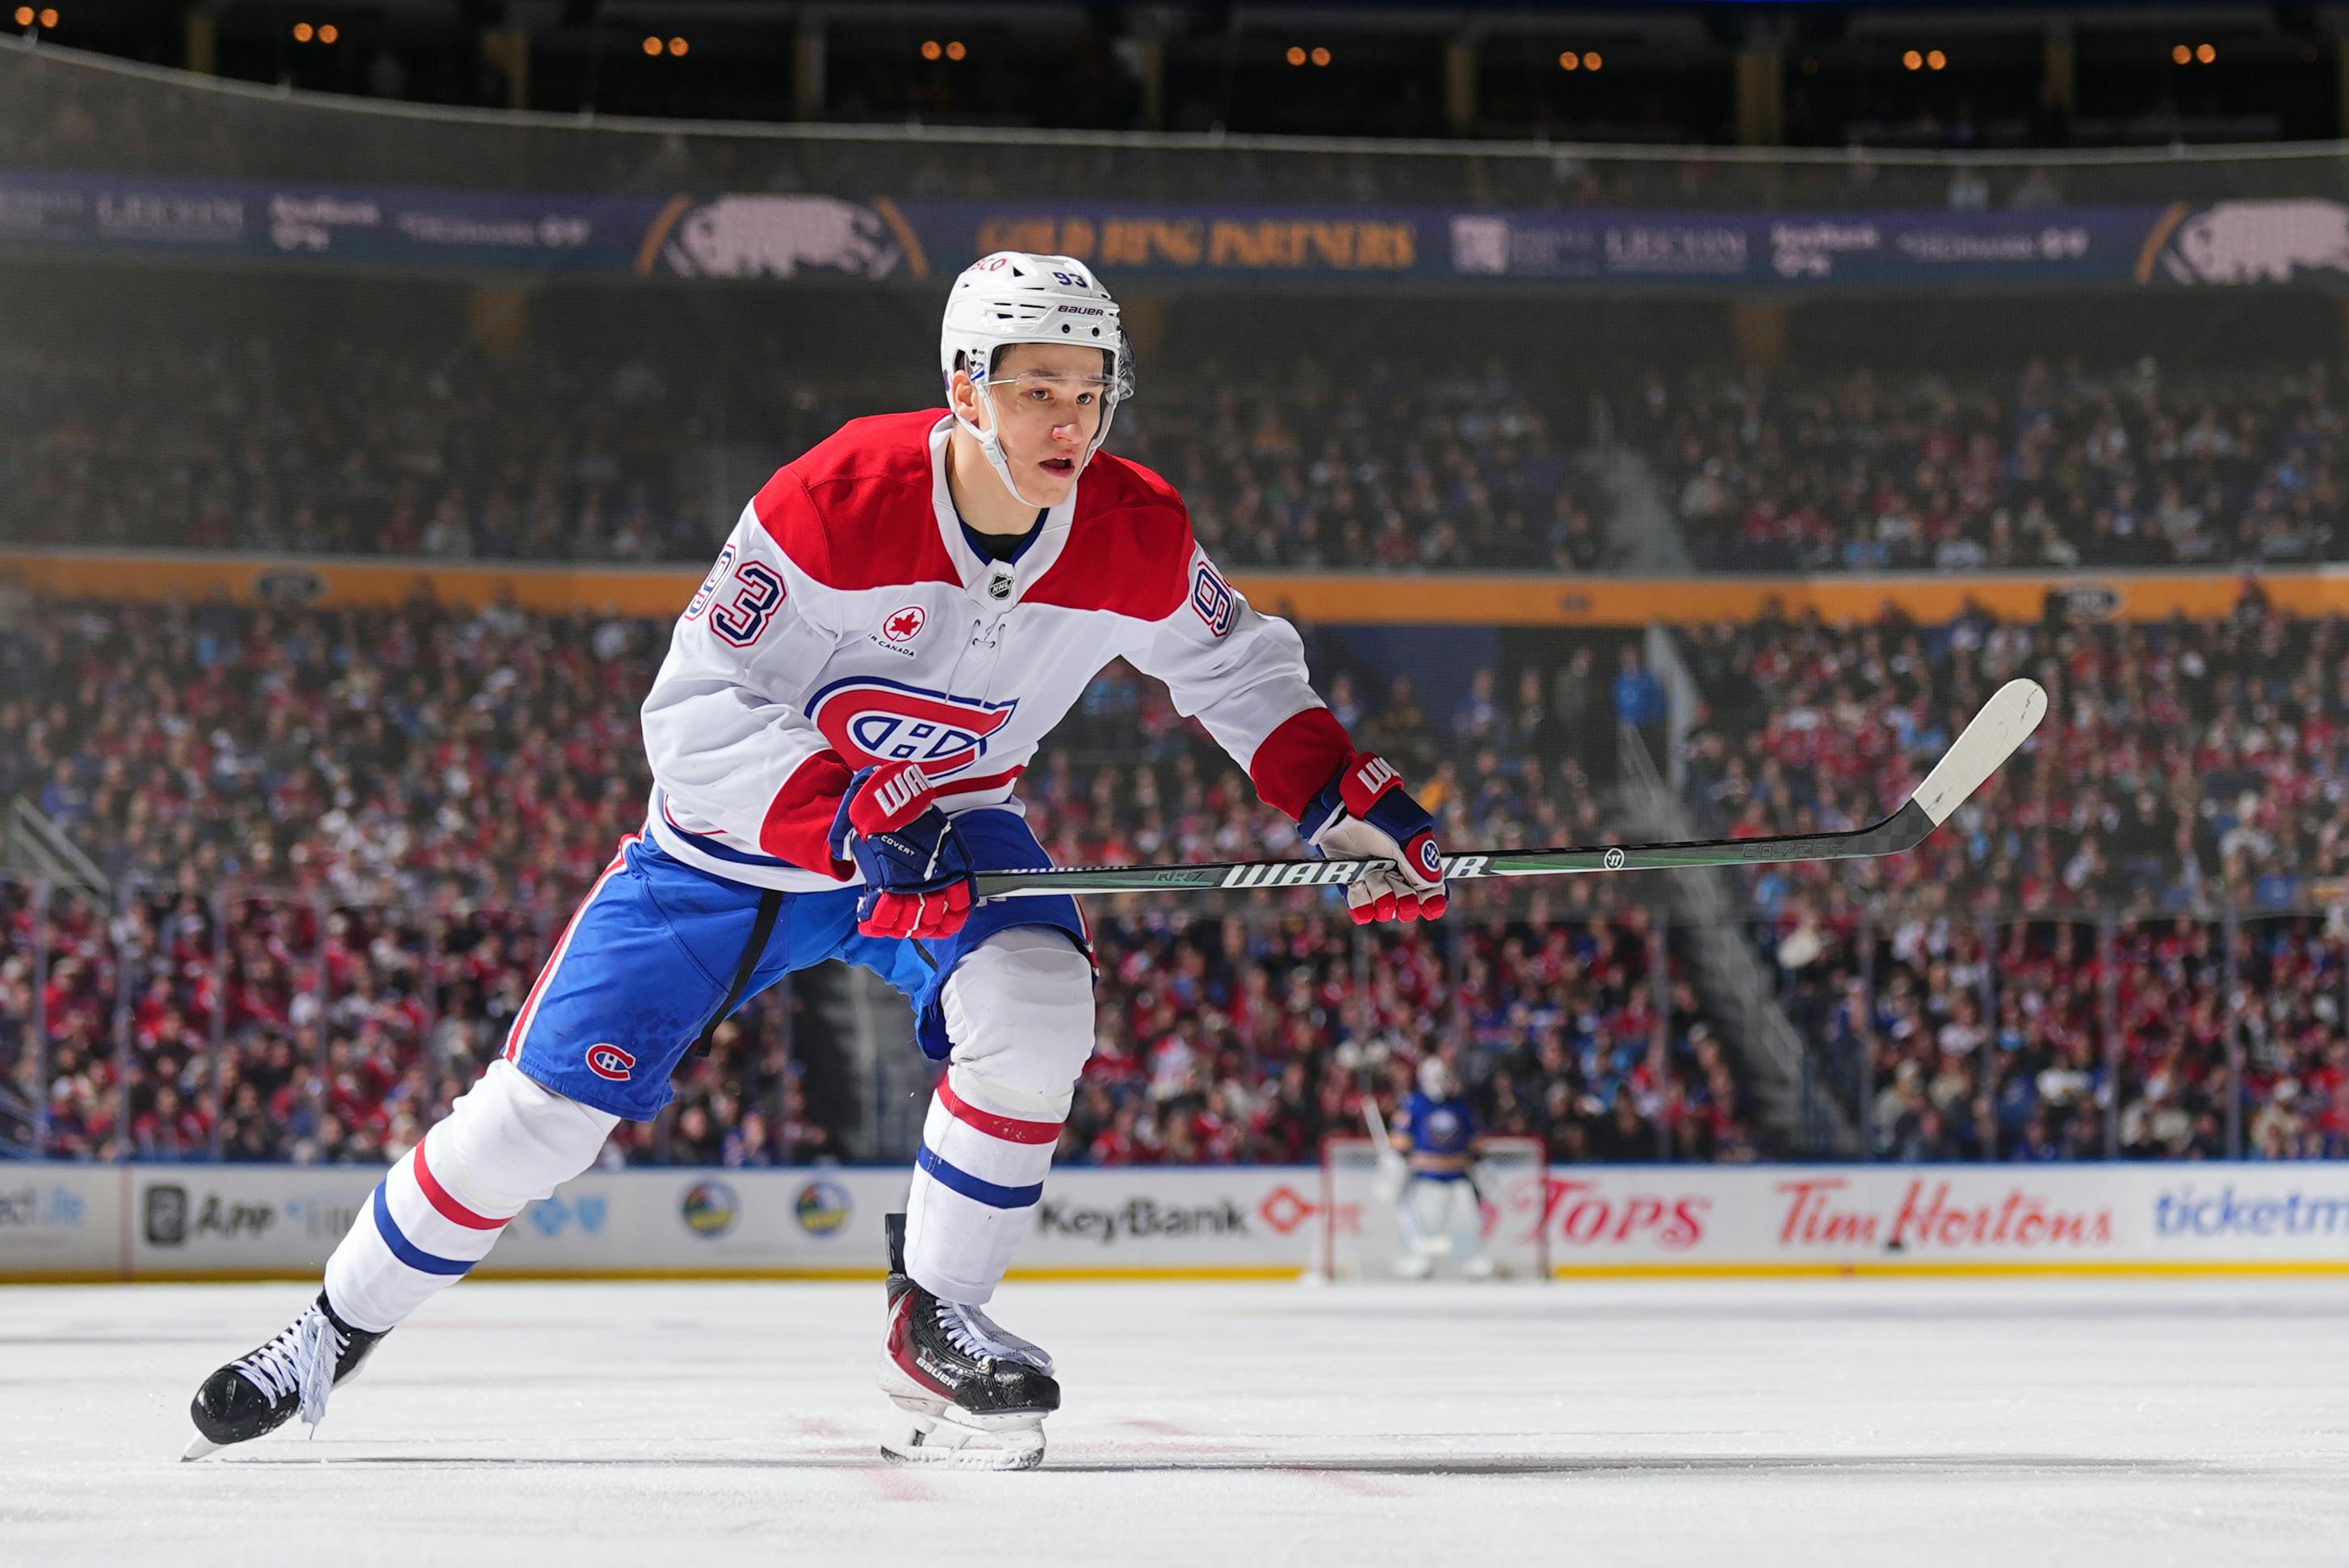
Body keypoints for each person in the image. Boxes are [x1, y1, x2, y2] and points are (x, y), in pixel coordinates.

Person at [182, 253, 1449, 1473]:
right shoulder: (835, 495)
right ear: (966, 388)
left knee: (1039, 999)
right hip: (734, 847)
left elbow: (1235, 667)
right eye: (1035, 388)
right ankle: (328, 1333)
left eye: (1088, 389)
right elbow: (691, 714)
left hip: (949, 826)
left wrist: (1341, 794)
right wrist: (847, 823)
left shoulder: (1137, 527)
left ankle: (933, 1321)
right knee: (535, 1123)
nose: (1069, 418)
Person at [1391, 1056, 1493, 1281]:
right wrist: (1400, 1161)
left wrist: (1480, 1163)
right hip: (1426, 1178)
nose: (1442, 1082)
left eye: (1444, 1077)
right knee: (1425, 1225)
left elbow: (1476, 1141)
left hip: (1459, 1177)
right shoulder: (1415, 1105)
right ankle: (1419, 1260)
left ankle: (1471, 1260)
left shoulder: (1461, 1106)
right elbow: (1400, 1140)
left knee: (1466, 1222)